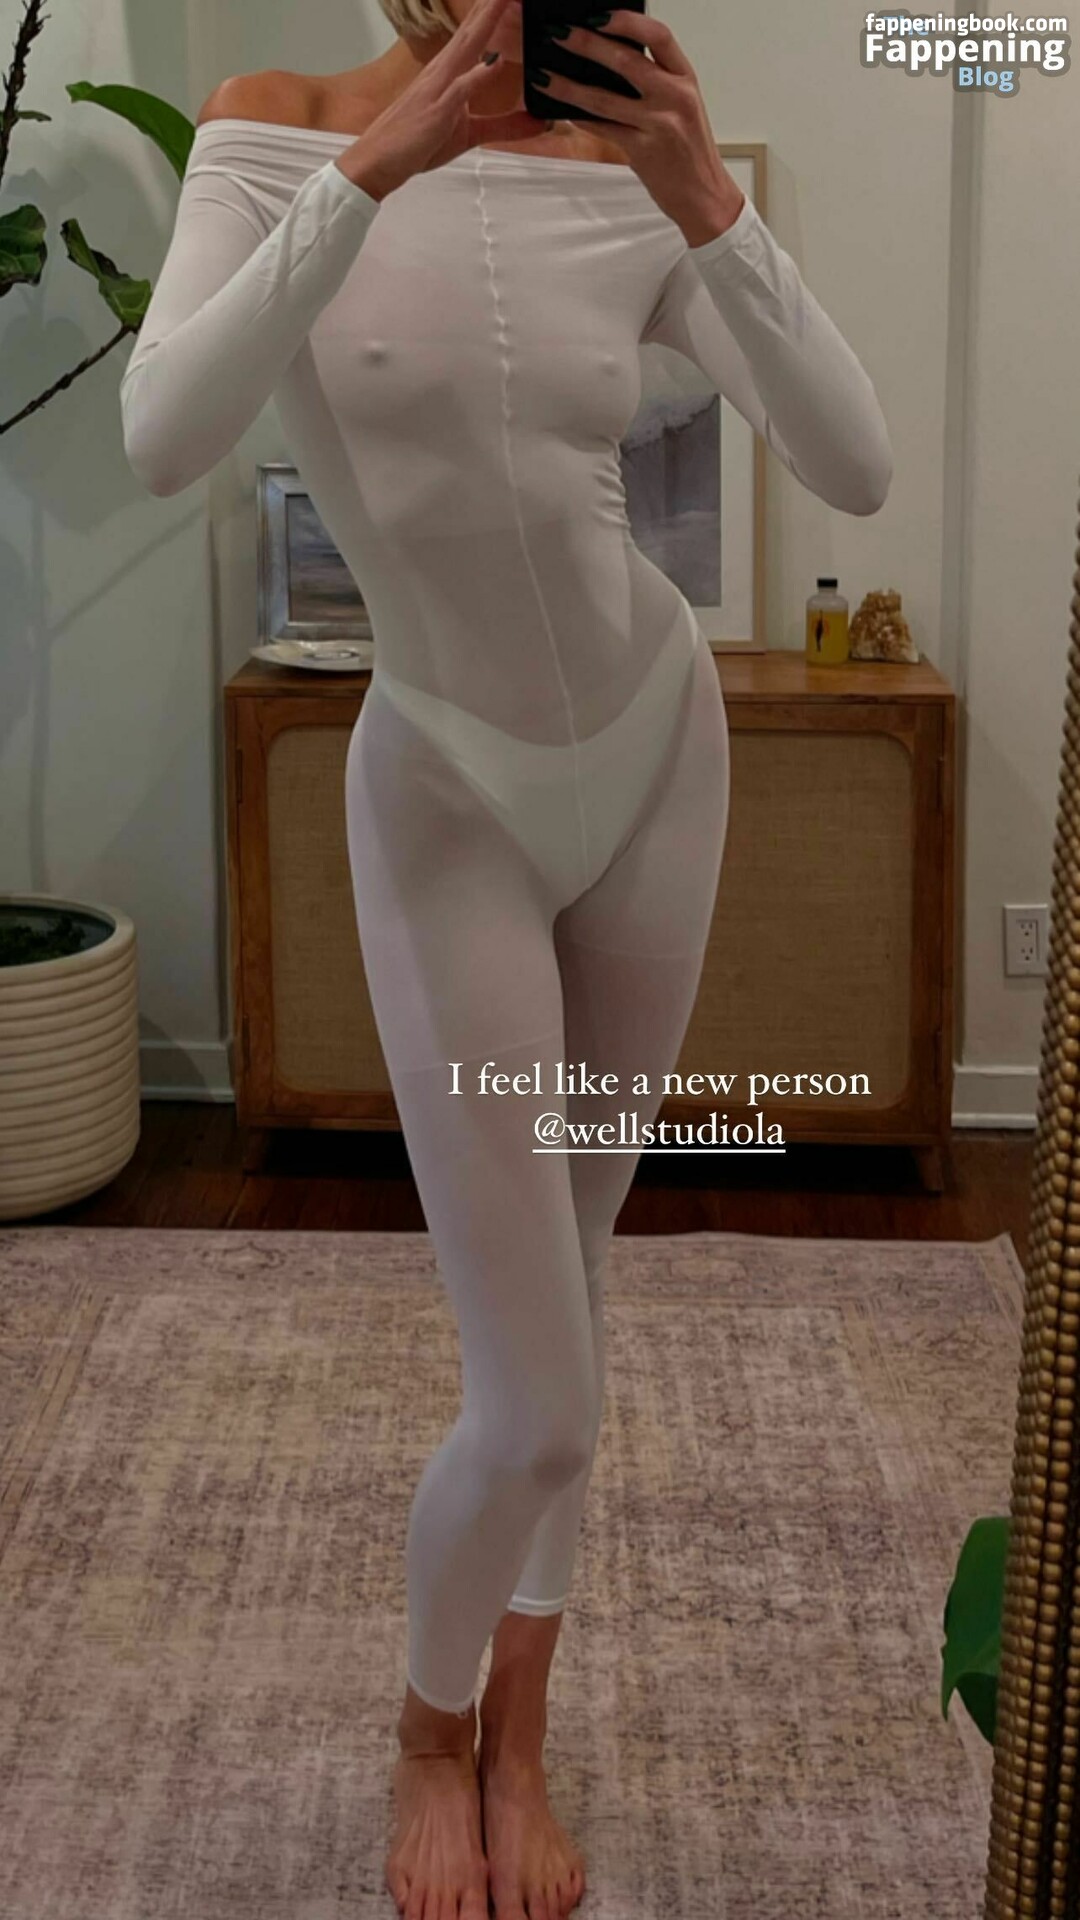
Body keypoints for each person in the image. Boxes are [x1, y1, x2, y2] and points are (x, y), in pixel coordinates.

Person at [119, 0, 892, 1912]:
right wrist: (379, 165)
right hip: (448, 789)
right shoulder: (276, 128)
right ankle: (426, 1732)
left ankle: (519, 1733)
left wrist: (702, 194)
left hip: (655, 751)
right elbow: (162, 436)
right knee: (534, 1394)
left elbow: (857, 465)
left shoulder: (624, 172)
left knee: (582, 1278)